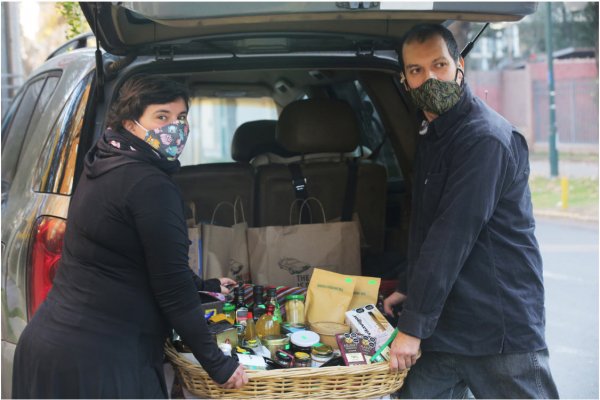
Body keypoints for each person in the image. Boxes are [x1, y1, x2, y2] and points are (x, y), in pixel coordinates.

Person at [12, 74, 249, 398]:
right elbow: (172, 288)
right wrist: (219, 365)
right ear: (130, 122)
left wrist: (204, 288)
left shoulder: (103, 160)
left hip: (55, 352)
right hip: (100, 366)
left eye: (181, 117)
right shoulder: (149, 185)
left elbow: (137, 258)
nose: (175, 127)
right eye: (161, 117)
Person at [383, 24, 559, 399]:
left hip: (497, 330)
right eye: (416, 71)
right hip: (445, 330)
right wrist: (411, 286)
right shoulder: (433, 134)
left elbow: (452, 236)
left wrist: (412, 329)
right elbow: (429, 230)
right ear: (404, 80)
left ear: (459, 65)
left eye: (439, 65)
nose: (430, 78)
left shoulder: (484, 140)